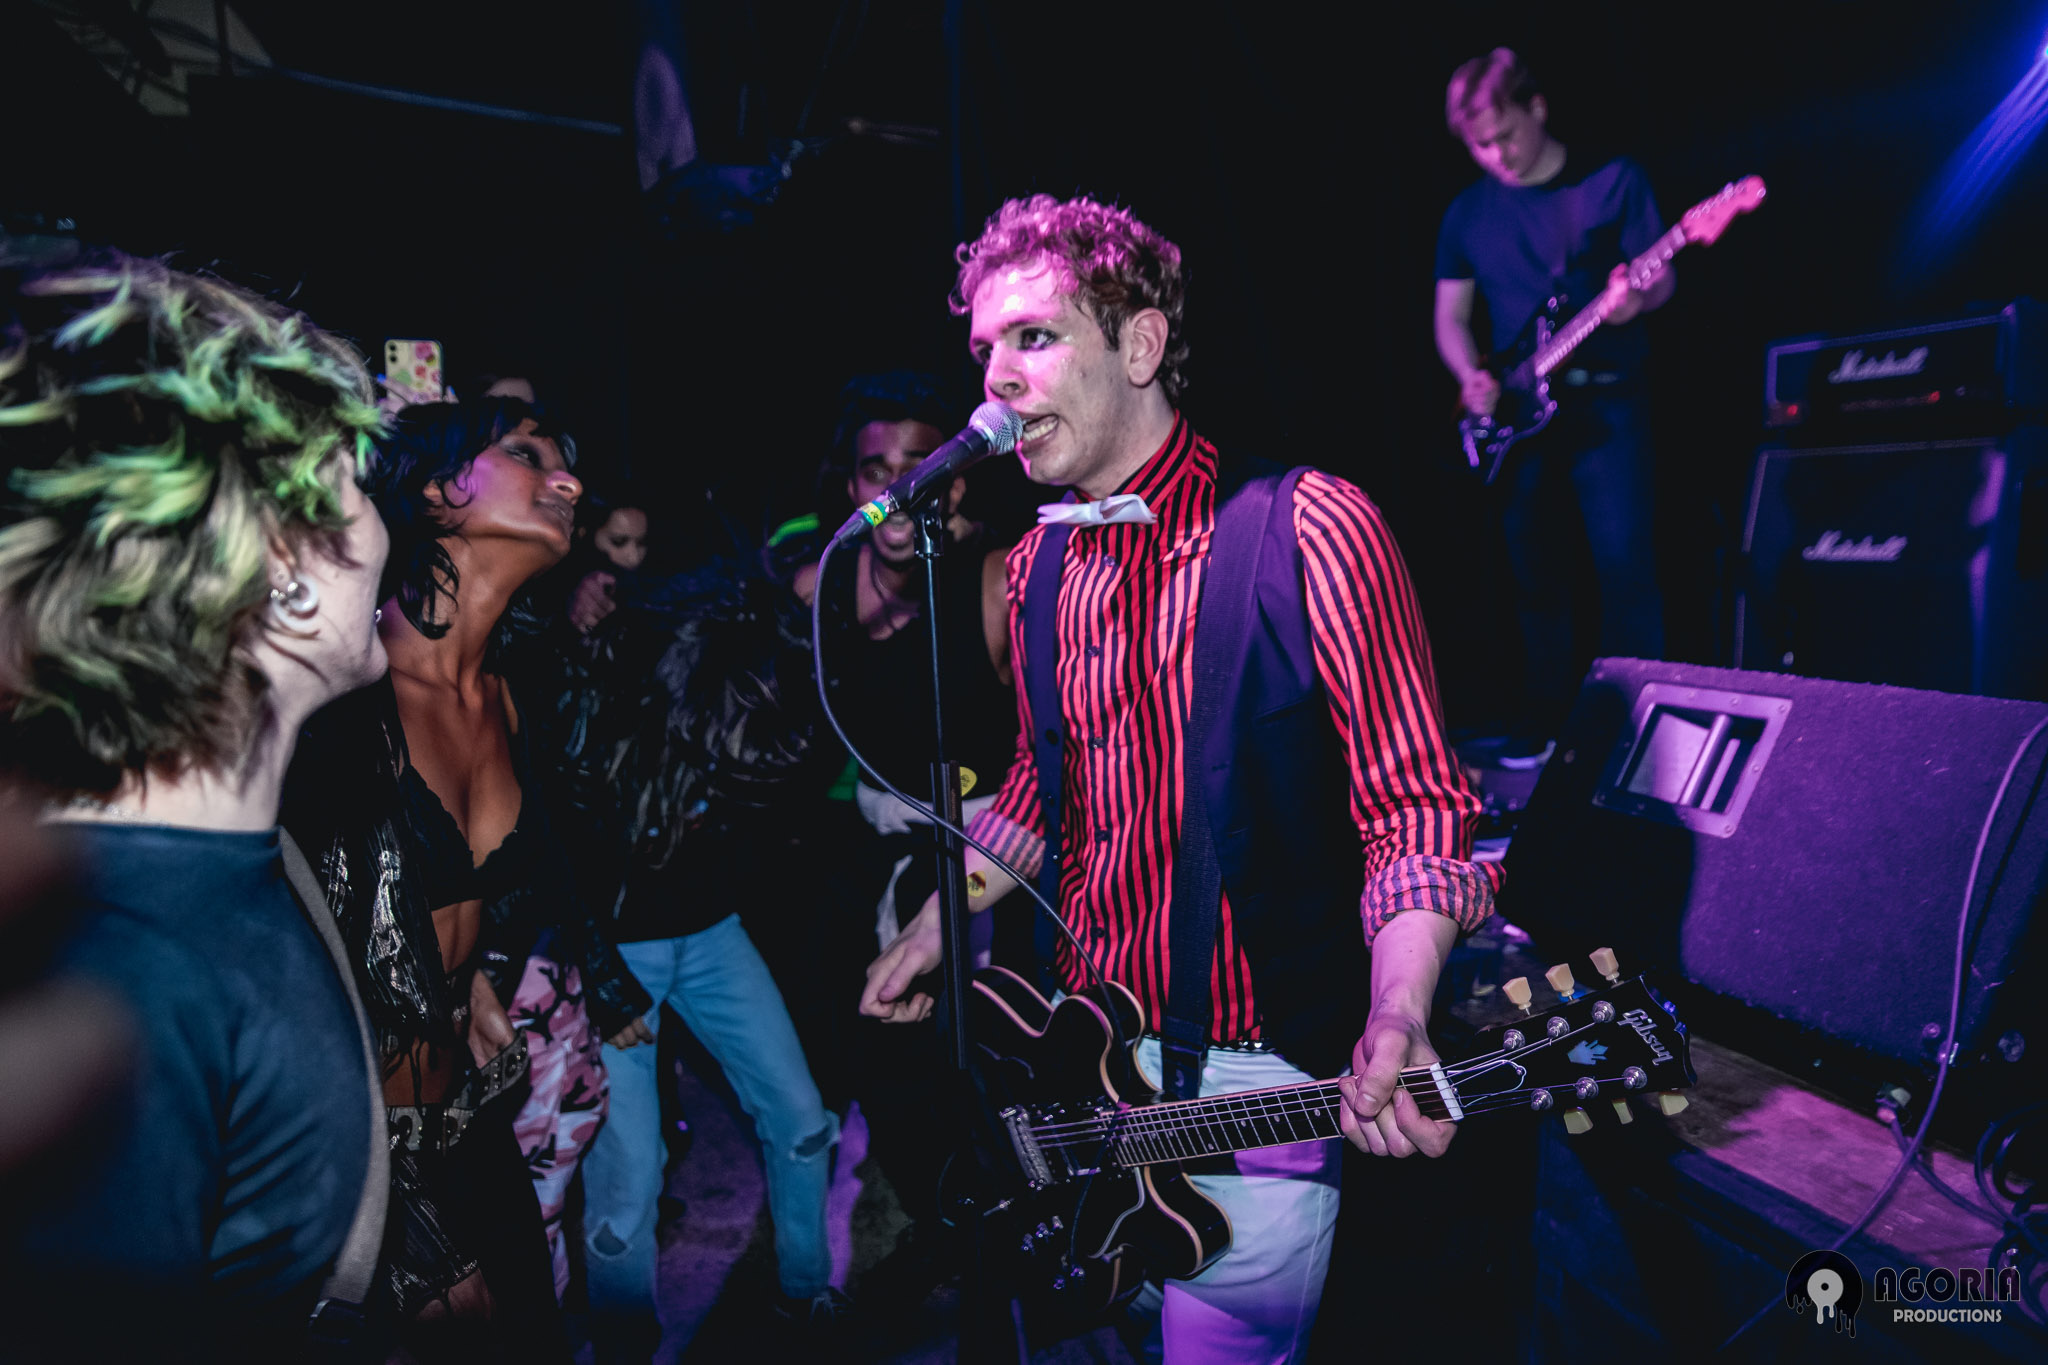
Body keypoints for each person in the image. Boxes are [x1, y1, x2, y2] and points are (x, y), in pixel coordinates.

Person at [860, 194, 1502, 1364]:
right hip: (1067, 1067)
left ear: (1140, 347)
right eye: (983, 349)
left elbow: (1416, 811)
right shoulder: (1041, 562)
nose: (993, 377)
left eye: (1034, 337)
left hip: (1254, 1080)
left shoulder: (1310, 526)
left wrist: (1399, 1011)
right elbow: (1028, 795)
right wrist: (939, 926)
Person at [0, 255, 387, 1359]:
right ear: (286, 567)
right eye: (356, 480)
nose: (381, 519)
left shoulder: (227, 865)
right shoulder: (119, 981)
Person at [285, 397, 655, 1362]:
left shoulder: (505, 691)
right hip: (364, 1138)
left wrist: (477, 965)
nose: (569, 480)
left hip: (467, 1101)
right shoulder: (351, 701)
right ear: (444, 490)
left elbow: (452, 885)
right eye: (530, 454)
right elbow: (324, 960)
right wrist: (409, 1229)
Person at [524, 507, 847, 1359]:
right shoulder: (608, 681)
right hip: (617, 947)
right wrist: (600, 971)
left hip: (711, 934)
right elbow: (553, 833)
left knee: (804, 1118)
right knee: (628, 1184)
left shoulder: (758, 663)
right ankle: (628, 1344)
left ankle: (804, 1294)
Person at [789, 370, 1020, 1310]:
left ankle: (1000, 1232)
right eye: (874, 468)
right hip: (866, 856)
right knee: (878, 1055)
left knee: (980, 1059)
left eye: (918, 465)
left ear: (954, 482)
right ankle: (944, 1219)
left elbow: (1049, 748)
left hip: (987, 853)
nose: (895, 484)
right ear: (851, 488)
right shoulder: (819, 584)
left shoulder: (994, 579)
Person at [1434, 47, 1672, 766]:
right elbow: (1450, 317)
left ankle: (1645, 729)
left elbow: (1659, 282)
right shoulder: (1467, 214)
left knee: (1625, 566)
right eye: (1478, 146)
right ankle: (1544, 725)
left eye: (1504, 134)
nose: (1495, 154)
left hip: (1607, 409)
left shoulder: (1611, 182)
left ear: (1536, 108)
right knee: (1535, 577)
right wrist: (1469, 373)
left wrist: (1634, 300)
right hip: (1519, 415)